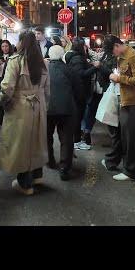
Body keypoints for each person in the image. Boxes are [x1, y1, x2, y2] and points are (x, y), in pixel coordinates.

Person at [0, 30, 50, 195]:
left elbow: (7, 87)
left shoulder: (15, 61)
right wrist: (44, 106)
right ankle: (37, 176)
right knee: (37, 141)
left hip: (20, 107)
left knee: (21, 144)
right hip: (38, 106)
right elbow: (47, 90)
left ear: (21, 43)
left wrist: (2, 103)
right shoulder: (44, 63)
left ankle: (25, 184)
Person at [101, 36, 135, 181]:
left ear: (116, 45)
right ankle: (116, 162)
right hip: (124, 99)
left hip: (132, 101)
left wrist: (118, 78)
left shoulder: (133, 57)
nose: (113, 55)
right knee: (122, 135)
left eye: (112, 51)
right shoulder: (122, 56)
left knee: (129, 137)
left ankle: (130, 171)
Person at [46, 45, 77, 180]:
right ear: (62, 55)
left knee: (47, 136)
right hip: (66, 108)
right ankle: (64, 167)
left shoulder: (44, 70)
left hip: (48, 109)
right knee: (66, 139)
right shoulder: (69, 69)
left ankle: (49, 160)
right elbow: (78, 89)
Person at [65, 38, 97, 146]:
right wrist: (95, 68)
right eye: (84, 45)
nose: (86, 48)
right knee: (78, 116)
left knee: (78, 116)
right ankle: (76, 141)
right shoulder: (77, 58)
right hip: (80, 91)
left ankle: (76, 140)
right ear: (80, 47)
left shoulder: (74, 57)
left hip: (77, 90)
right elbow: (81, 74)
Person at [0, 40, 13, 127]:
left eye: (6, 46)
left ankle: (10, 119)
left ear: (9, 47)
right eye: (3, 46)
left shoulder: (13, 57)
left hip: (10, 79)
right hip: (0, 79)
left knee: (10, 99)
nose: (5, 48)